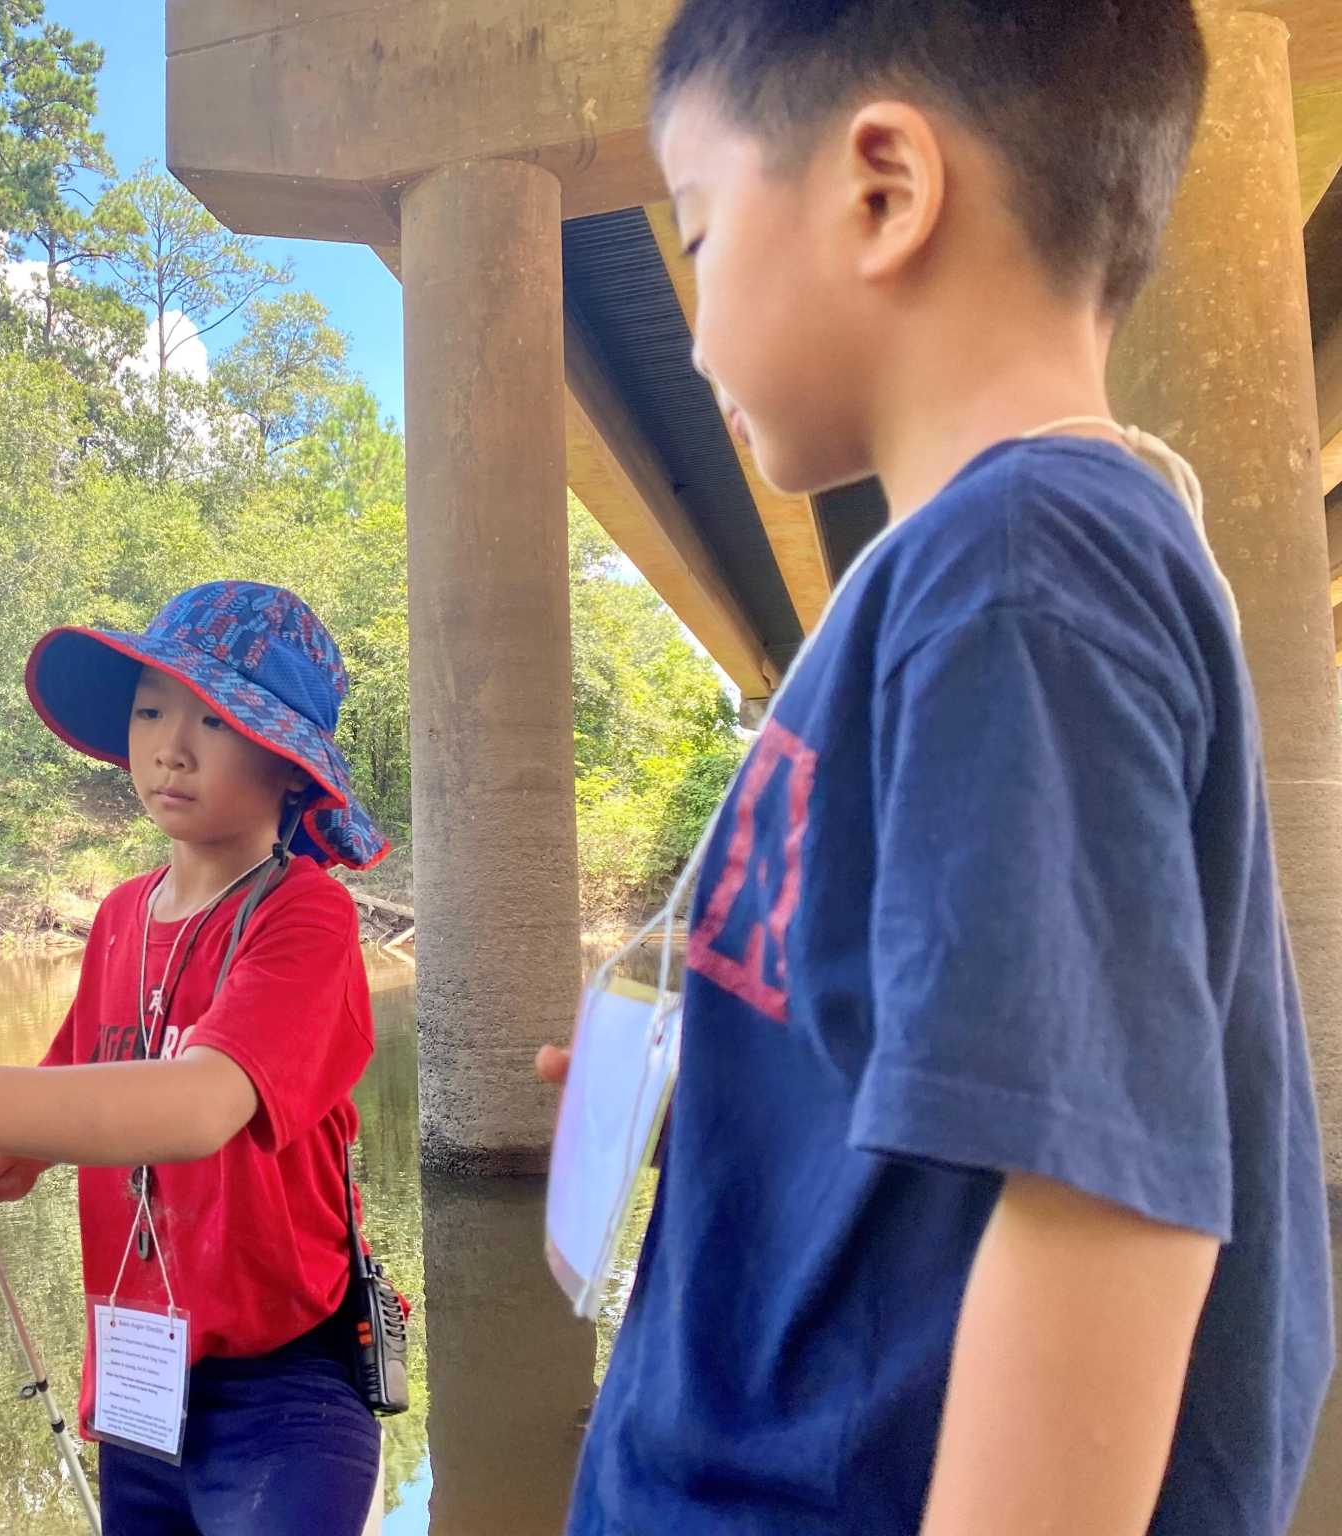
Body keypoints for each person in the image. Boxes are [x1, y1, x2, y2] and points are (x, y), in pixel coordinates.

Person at [545, 3, 1333, 1532]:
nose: (693, 329)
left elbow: (1106, 1198)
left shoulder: (1024, 573)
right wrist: (739, 1092)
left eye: (698, 238)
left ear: (885, 190)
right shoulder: (971, 581)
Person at [0, 580, 391, 1534]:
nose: (169, 745)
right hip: (138, 1374)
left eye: (213, 720)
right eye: (149, 709)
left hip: (283, 1384)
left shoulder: (305, 915)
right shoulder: (122, 916)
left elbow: (200, 1103)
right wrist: (20, 1148)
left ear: (292, 768)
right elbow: (79, 1076)